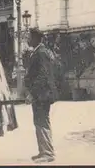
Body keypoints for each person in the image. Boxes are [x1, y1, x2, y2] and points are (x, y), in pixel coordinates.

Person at [24, 27, 59, 163]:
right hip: (41, 94)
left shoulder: (41, 53)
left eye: (29, 37)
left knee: (42, 121)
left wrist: (32, 94)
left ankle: (48, 153)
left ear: (35, 38)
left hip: (42, 94)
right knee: (39, 121)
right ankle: (43, 151)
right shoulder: (38, 52)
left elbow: (43, 76)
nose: (27, 39)